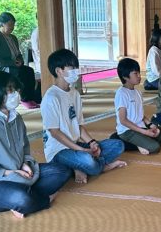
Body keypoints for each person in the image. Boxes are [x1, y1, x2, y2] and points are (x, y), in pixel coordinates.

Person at [0, 71, 72, 218]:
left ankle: (16, 200)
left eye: (15, 89)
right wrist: (9, 173)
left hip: (17, 174)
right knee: (21, 198)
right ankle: (38, 200)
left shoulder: (15, 118)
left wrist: (25, 163)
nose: (16, 94)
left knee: (61, 171)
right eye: (10, 90)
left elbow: (24, 149)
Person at [42, 49, 126, 184]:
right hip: (59, 150)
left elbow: (79, 126)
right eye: (72, 68)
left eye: (76, 67)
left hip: (75, 144)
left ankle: (78, 166)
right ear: (59, 71)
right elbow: (55, 132)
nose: (76, 71)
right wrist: (82, 150)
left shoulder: (74, 93)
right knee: (88, 161)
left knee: (117, 145)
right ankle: (98, 166)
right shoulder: (51, 97)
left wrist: (92, 143)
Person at [114, 57, 161, 154]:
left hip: (141, 128)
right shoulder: (122, 93)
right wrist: (145, 132)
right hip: (128, 131)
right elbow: (123, 120)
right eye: (135, 74)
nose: (139, 76)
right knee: (154, 148)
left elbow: (140, 115)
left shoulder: (137, 92)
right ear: (125, 77)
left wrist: (151, 125)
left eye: (139, 73)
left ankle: (144, 141)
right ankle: (135, 143)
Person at [0, 12, 40, 108]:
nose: (12, 27)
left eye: (13, 24)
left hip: (14, 65)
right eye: (10, 24)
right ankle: (24, 99)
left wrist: (20, 60)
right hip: (1, 67)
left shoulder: (13, 38)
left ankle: (30, 98)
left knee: (29, 71)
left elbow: (18, 53)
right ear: (2, 24)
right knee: (20, 74)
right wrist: (12, 63)